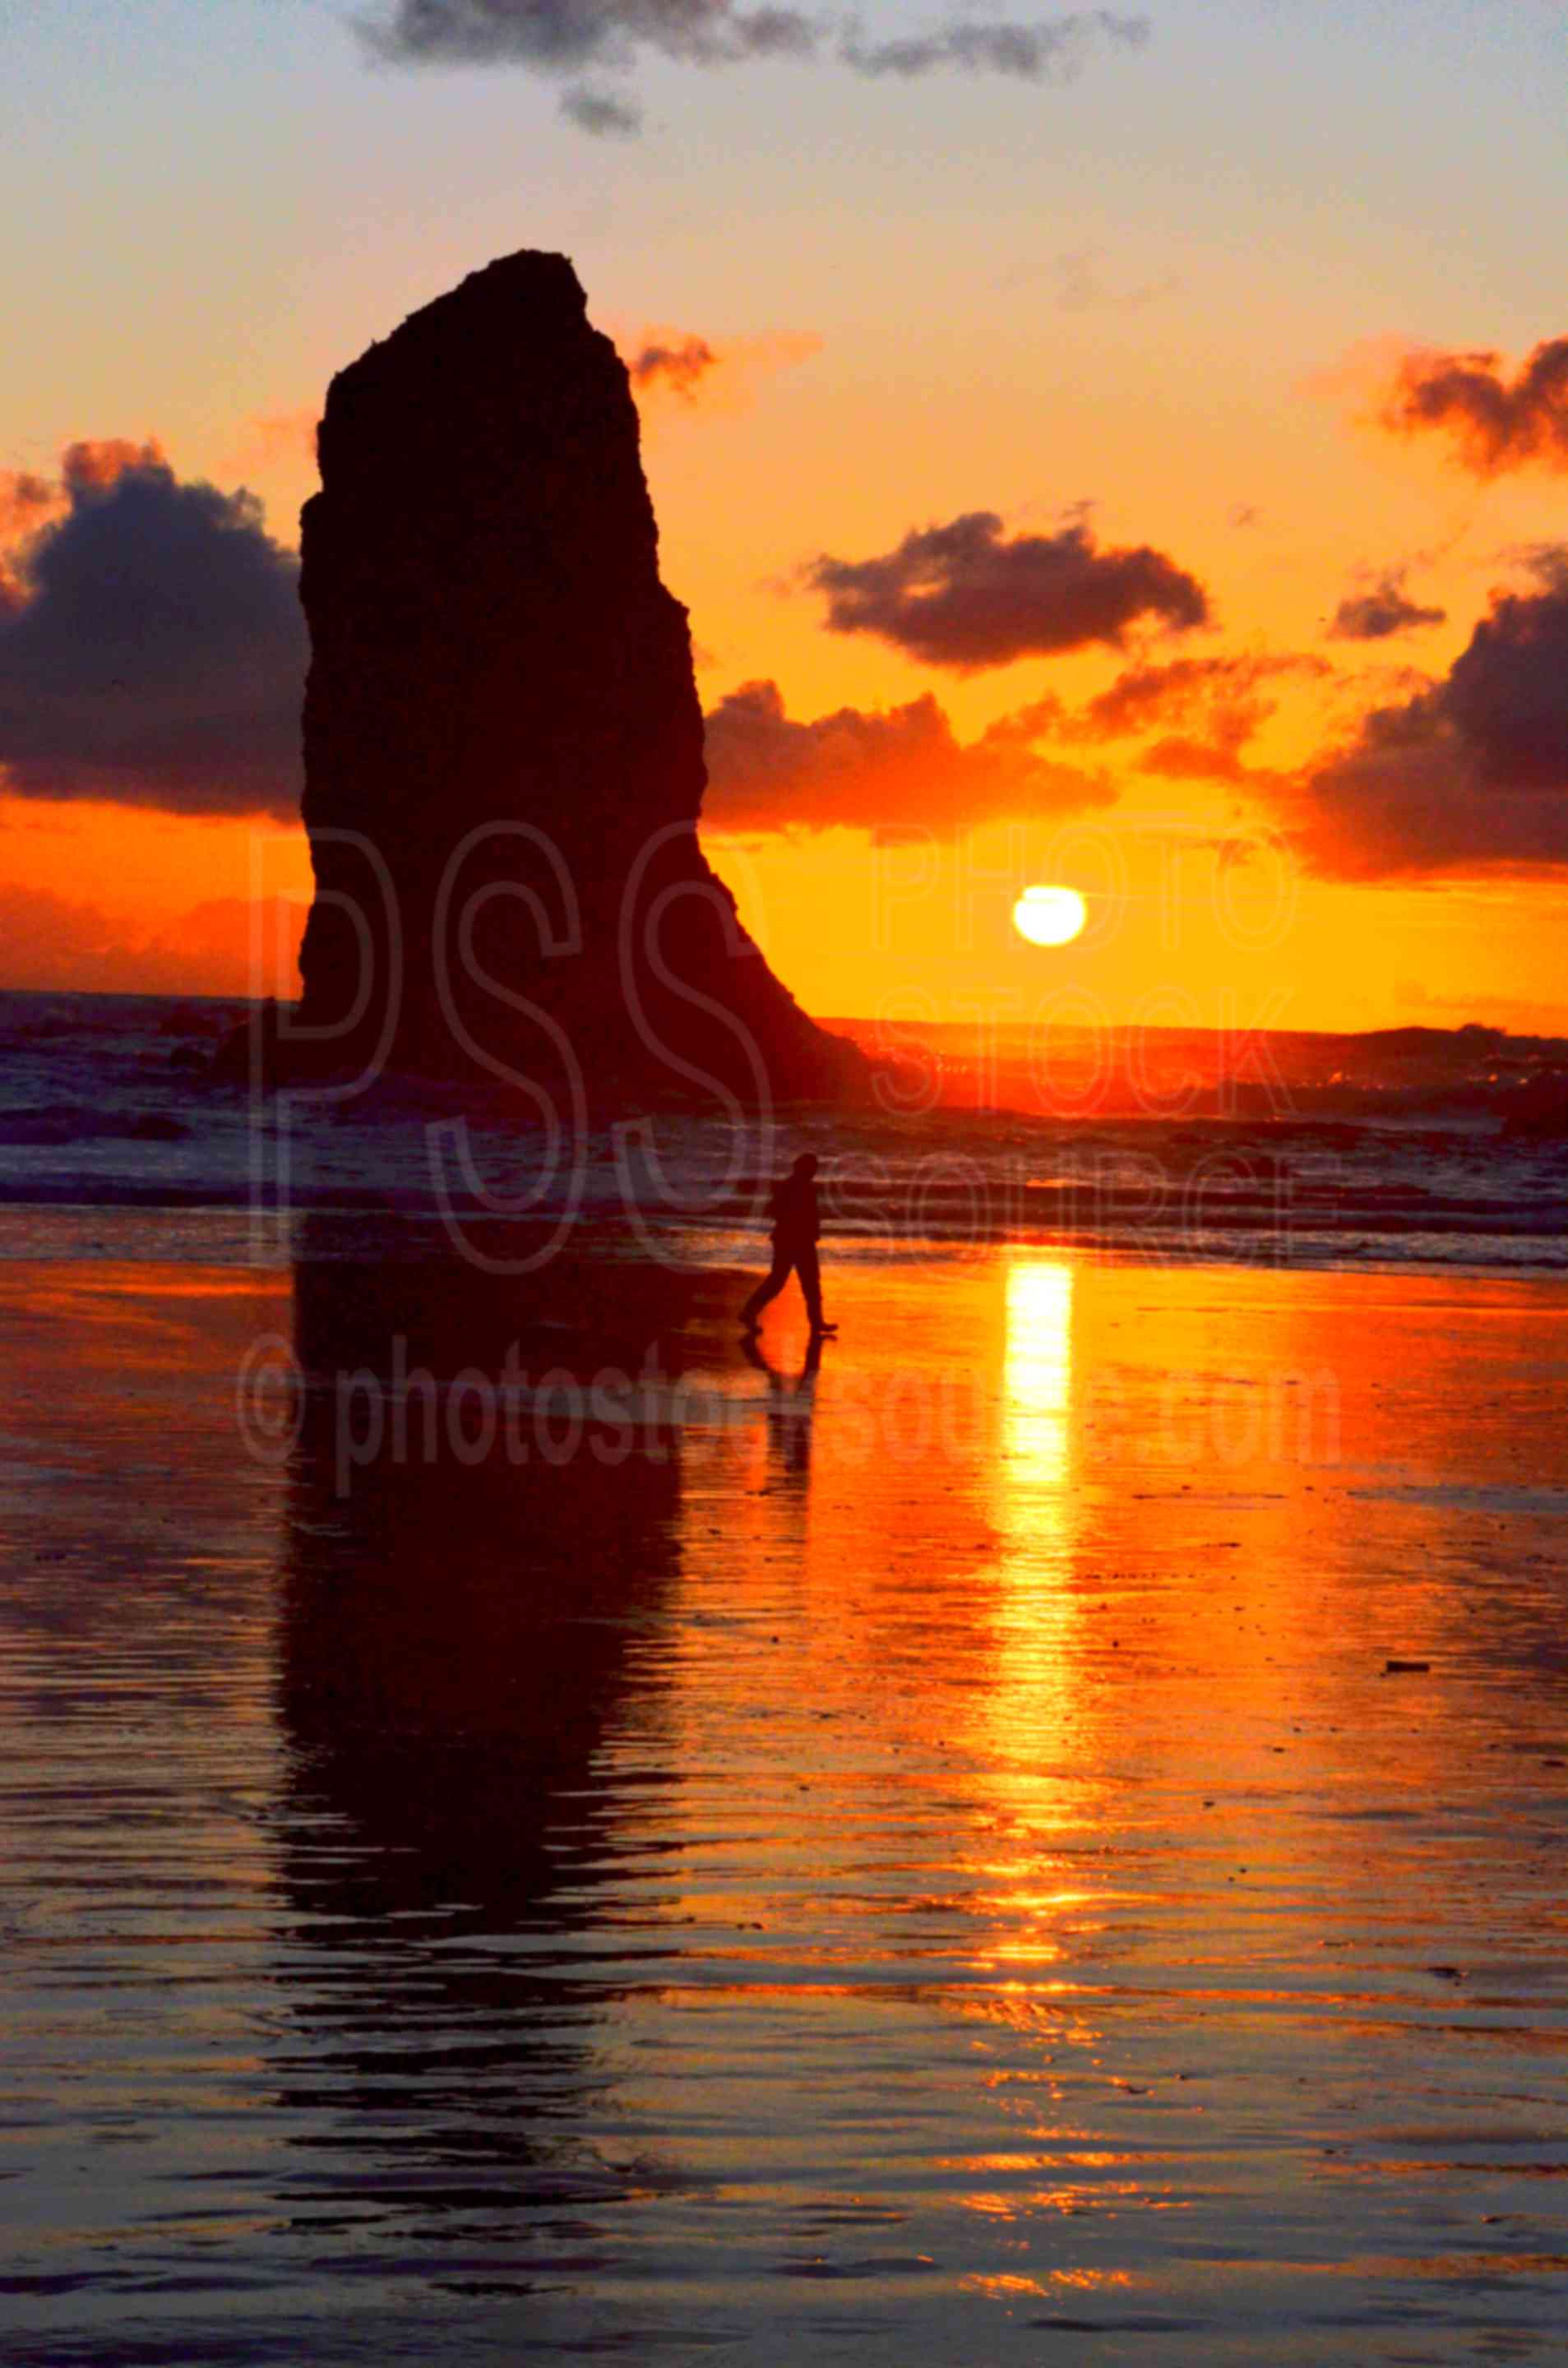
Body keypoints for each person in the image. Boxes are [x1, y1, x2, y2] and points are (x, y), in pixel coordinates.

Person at [739, 1153, 836, 1336]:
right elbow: (778, 1211)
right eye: (812, 1167)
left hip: (796, 1240)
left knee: (803, 1283)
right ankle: (749, 1312)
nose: (815, 1171)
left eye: (815, 1168)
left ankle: (816, 1322)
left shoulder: (796, 1187)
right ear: (803, 1168)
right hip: (792, 1240)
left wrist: (813, 1231)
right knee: (788, 1282)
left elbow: (781, 1212)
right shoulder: (794, 1187)